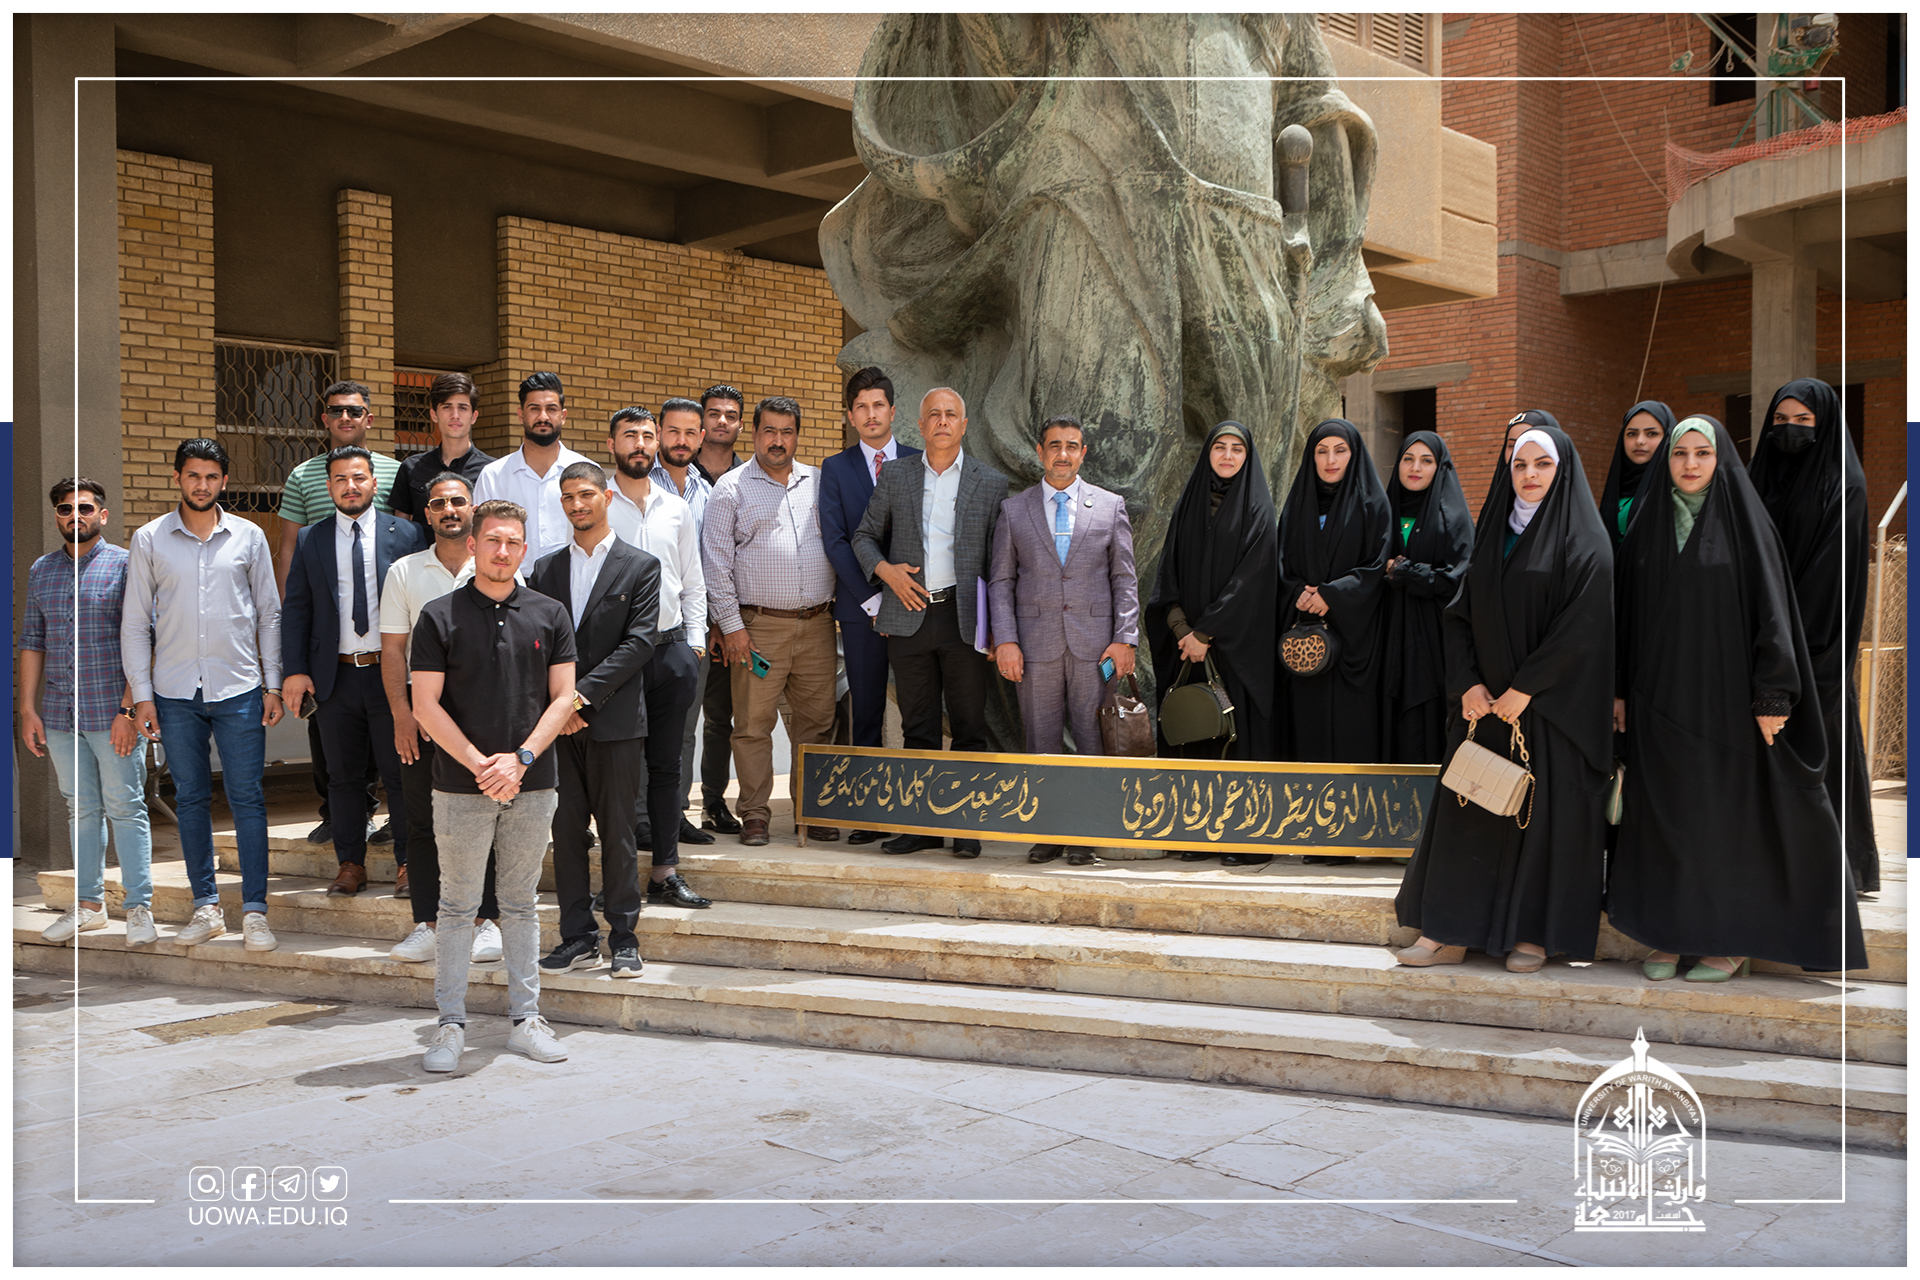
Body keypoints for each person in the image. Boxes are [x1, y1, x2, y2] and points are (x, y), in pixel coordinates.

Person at [1608, 415, 1867, 981]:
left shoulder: (1747, 525)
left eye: (1702, 453)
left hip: (1724, 703)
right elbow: (1623, 615)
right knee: (1665, 819)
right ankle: (1668, 935)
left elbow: (1774, 613)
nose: (1690, 464)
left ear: (1720, 458)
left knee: (1721, 820)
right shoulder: (1648, 522)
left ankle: (1726, 942)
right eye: (1680, 454)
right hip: (1656, 700)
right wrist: (1620, 690)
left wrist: (1774, 693)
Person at [1394, 424, 1612, 974]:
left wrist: (1526, 688)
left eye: (1542, 464)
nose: (1530, 475)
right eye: (1520, 464)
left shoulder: (1585, 541)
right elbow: (1459, 616)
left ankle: (1533, 936)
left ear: (1562, 470)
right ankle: (1447, 932)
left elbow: (1582, 627)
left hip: (1549, 712)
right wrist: (1468, 683)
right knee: (1469, 811)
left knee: (1538, 821)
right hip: (1485, 708)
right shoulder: (1494, 531)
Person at [408, 498, 578, 1072]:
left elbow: (564, 698)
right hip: (459, 787)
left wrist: (520, 760)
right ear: (473, 545)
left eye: (512, 542)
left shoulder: (550, 613)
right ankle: (449, 1026)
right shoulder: (439, 615)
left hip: (533, 782)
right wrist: (483, 764)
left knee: (521, 904)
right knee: (457, 907)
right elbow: (425, 705)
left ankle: (526, 1021)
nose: (502, 551)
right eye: (492, 540)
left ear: (523, 550)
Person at [123, 438, 285, 950]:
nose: (202, 485)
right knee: (191, 798)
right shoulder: (149, 539)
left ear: (224, 481)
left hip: (239, 688)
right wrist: (143, 696)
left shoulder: (250, 536)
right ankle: (206, 906)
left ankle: (255, 912)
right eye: (193, 475)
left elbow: (269, 614)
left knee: (247, 798)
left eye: (211, 476)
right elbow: (134, 623)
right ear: (177, 478)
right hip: (174, 692)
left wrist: (273, 683)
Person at [853, 387, 1011, 858]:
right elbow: (863, 537)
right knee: (917, 727)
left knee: (968, 727)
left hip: (965, 619)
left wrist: (999, 626)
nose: (942, 421)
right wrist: (887, 573)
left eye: (951, 414)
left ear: (964, 425)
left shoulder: (991, 482)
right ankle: (920, 827)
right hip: (909, 616)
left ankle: (965, 826)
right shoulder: (896, 474)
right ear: (919, 426)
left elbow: (1000, 563)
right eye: (934, 415)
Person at [1748, 378, 1879, 896]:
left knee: (1821, 750)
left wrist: (1784, 655)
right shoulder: (1759, 477)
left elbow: (1829, 581)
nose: (1790, 430)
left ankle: (1835, 871)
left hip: (1814, 645)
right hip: (1760, 645)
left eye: (1804, 421)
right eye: (1781, 421)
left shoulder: (1844, 486)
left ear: (1825, 425)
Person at [989, 414, 1139, 865]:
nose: (1063, 454)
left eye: (1072, 446)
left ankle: (1084, 834)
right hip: (1035, 647)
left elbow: (1124, 579)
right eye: (1054, 445)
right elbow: (1001, 581)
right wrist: (1006, 640)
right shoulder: (1014, 510)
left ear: (1083, 453)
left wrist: (1125, 638)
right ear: (1040, 452)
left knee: (1093, 739)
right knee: (1041, 741)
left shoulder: (1110, 506)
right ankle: (1049, 832)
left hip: (1097, 647)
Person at [281, 445, 429, 897]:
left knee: (402, 774)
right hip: (336, 678)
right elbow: (298, 608)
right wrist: (295, 670)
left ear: (374, 483)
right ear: (329, 487)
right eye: (341, 479)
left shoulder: (407, 534)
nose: (351, 486)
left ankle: (409, 864)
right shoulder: (311, 539)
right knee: (343, 778)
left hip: (392, 676)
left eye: (359, 477)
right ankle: (350, 864)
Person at [531, 461, 660, 979]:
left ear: (606, 497)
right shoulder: (544, 569)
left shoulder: (640, 565)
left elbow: (640, 643)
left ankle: (624, 938)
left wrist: (577, 701)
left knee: (618, 833)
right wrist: (559, 708)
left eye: (585, 494)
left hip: (614, 722)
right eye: (568, 497)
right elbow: (536, 646)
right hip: (557, 729)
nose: (577, 505)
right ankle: (577, 938)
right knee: (565, 834)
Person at [21, 478, 157, 947]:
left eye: (84, 508)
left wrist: (129, 709)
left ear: (102, 514)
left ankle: (139, 907)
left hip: (112, 712)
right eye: (65, 509)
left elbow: (143, 639)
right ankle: (89, 906)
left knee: (126, 807)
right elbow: (32, 641)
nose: (74, 516)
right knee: (80, 809)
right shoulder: (41, 570)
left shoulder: (126, 565)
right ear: (56, 516)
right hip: (60, 714)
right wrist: (27, 709)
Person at [377, 472, 505, 965]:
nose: (449, 509)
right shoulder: (404, 571)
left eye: (457, 501)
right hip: (421, 712)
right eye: (438, 503)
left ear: (473, 507)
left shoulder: (497, 563)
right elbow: (393, 650)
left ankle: (486, 922)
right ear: (426, 513)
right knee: (422, 820)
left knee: (487, 817)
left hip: (484, 712)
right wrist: (401, 713)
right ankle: (428, 924)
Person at [702, 395, 841, 847]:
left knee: (817, 724)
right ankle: (756, 814)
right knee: (752, 725)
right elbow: (715, 564)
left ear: (797, 435)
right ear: (755, 433)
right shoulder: (732, 488)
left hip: (818, 625)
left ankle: (813, 810)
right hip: (757, 628)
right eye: (769, 431)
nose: (778, 440)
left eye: (787, 432)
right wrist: (733, 627)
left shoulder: (819, 482)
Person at [1146, 423, 1280, 863]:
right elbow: (1167, 573)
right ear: (1207, 453)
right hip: (1188, 646)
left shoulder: (1258, 509)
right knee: (1193, 733)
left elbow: (1252, 581)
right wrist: (1182, 630)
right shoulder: (1189, 505)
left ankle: (1244, 839)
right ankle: (1195, 835)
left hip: (1236, 649)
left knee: (1235, 739)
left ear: (1247, 456)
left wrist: (1205, 633)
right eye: (1219, 447)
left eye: (1237, 449)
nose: (1227, 455)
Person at [277, 380, 394, 848]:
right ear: (324, 418)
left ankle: (396, 835)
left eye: (354, 410)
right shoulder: (304, 479)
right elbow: (290, 553)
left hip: (387, 651)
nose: (345, 417)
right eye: (336, 410)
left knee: (395, 753)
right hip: (332, 646)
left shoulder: (394, 473)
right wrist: (297, 651)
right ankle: (344, 828)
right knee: (334, 752)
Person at [605, 408, 713, 908]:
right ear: (612, 445)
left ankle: (665, 871)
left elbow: (693, 581)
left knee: (667, 767)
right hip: (617, 655)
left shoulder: (676, 509)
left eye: (648, 436)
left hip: (671, 651)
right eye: (630, 436)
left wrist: (694, 644)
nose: (641, 444)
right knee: (619, 770)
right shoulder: (598, 505)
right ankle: (620, 876)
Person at [1277, 419, 1390, 865]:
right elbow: (1280, 562)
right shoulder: (1298, 503)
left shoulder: (1372, 503)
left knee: (1350, 735)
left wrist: (1332, 595)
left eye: (1339, 451)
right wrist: (1299, 593)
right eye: (1322, 451)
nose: (1330, 460)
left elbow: (1376, 565)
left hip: (1354, 646)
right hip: (1306, 645)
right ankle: (1314, 834)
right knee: (1309, 734)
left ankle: (1350, 836)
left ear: (1353, 454)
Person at [819, 365, 922, 847]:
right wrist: (872, 598)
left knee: (921, 710)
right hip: (861, 609)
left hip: (917, 606)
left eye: (878, 404)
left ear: (893, 411)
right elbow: (836, 541)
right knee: (865, 712)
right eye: (861, 406)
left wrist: (904, 593)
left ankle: (920, 813)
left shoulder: (921, 461)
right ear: (850, 416)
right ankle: (869, 812)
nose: (870, 413)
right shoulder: (836, 469)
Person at [1381, 431, 1473, 764]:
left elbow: (1459, 577)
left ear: (1440, 467)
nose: (1415, 468)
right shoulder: (1384, 512)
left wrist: (1407, 572)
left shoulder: (1455, 517)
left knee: (1429, 723)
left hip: (1434, 639)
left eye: (1426, 460)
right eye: (1408, 459)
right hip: (1389, 635)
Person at [652, 396, 719, 848]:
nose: (681, 440)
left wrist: (705, 631)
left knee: (684, 729)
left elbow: (709, 567)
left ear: (701, 437)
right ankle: (640, 816)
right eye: (673, 431)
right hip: (643, 631)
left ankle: (674, 814)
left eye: (690, 432)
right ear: (659, 432)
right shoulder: (637, 484)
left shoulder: (709, 493)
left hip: (691, 631)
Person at [692, 383, 748, 834]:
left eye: (730, 415)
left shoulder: (749, 478)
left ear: (740, 424)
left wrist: (724, 621)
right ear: (701, 421)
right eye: (714, 414)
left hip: (730, 622)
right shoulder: (674, 473)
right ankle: (667, 807)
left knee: (720, 719)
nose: (722, 421)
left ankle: (713, 801)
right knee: (675, 722)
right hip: (684, 621)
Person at [471, 371, 591, 566]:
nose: (543, 417)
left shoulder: (587, 473)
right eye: (534, 409)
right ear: (521, 415)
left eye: (551, 409)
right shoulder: (493, 476)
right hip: (511, 578)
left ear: (563, 416)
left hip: (574, 578)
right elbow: (482, 538)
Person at [389, 372, 494, 526]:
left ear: (473, 416)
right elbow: (400, 527)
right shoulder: (411, 467)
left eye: (463, 408)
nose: (455, 415)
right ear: (434, 415)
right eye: (447, 407)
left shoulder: (491, 470)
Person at [1597, 400, 1674, 555]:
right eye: (1632, 434)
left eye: (1651, 433)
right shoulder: (1617, 485)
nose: (1640, 441)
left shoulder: (1674, 488)